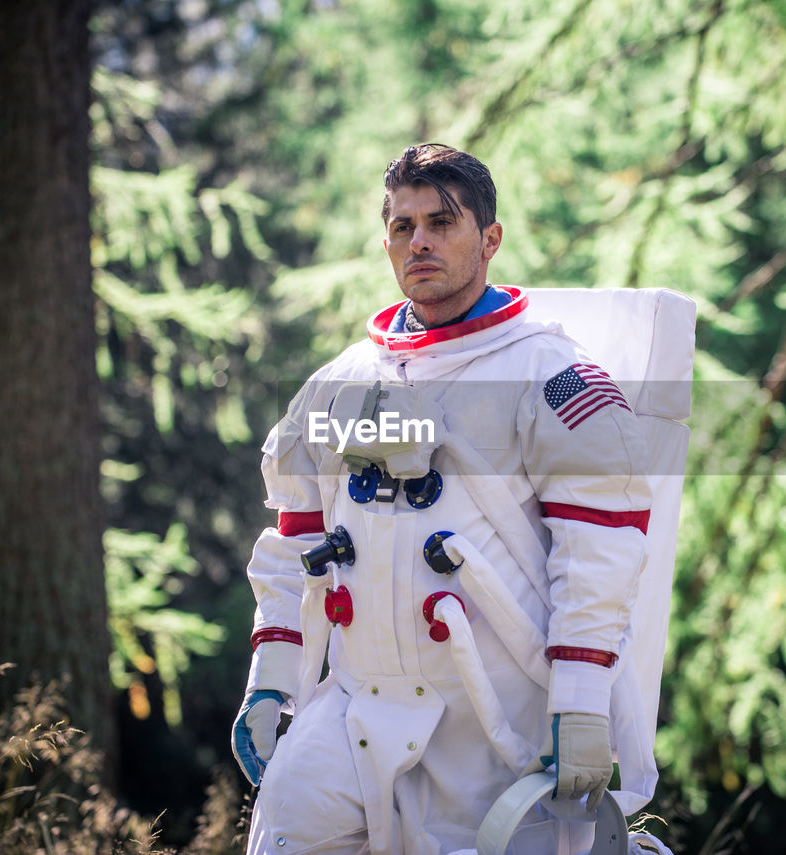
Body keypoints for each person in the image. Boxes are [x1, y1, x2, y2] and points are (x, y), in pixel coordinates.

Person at [231, 143, 659, 854]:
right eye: (403, 226)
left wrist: (582, 707)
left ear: (490, 239)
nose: (419, 241)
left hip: (495, 721)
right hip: (358, 704)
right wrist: (271, 676)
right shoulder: (339, 381)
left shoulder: (554, 378)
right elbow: (294, 536)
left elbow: (601, 552)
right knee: (285, 831)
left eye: (441, 222)